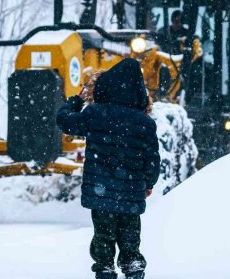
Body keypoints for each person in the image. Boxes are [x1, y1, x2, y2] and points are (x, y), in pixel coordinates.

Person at [56, 58, 161, 279]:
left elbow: (65, 121)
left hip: (101, 190)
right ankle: (133, 267)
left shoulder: (95, 114)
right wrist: (149, 183)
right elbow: (152, 159)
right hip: (131, 192)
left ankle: (105, 269)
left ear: (106, 87)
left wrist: (75, 101)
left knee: (103, 235)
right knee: (130, 235)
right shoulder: (145, 123)